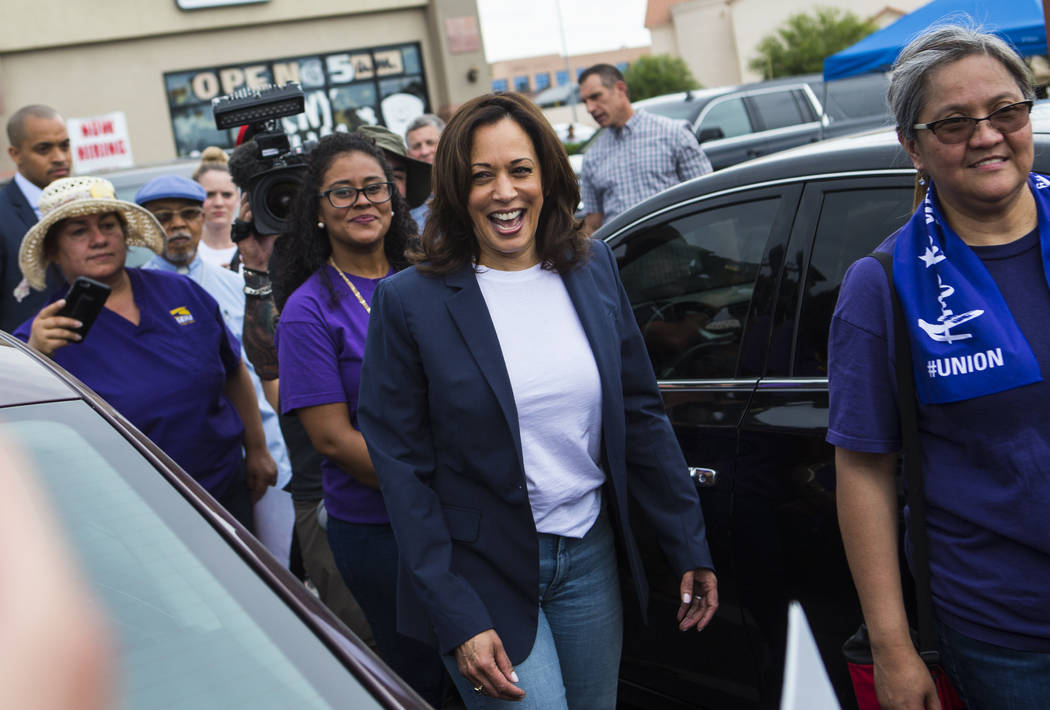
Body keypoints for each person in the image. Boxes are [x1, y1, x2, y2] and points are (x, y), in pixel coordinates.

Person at [357, 91, 718, 709]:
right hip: (479, 572)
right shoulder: (409, 302)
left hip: (589, 556)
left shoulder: (592, 267)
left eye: (520, 170)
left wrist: (687, 540)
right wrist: (455, 612)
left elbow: (640, 413)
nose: (504, 192)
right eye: (481, 176)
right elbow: (403, 472)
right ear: (454, 188)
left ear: (547, 177)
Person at [829, 25, 1050, 710]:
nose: (986, 136)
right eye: (953, 123)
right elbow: (865, 472)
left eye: (1006, 112)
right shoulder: (884, 285)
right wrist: (894, 648)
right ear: (913, 146)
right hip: (1007, 634)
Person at [272, 132, 445, 704]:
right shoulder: (307, 310)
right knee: (425, 677)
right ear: (316, 212)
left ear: (395, 199)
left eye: (373, 188)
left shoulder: (432, 275)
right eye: (341, 193)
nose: (362, 202)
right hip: (381, 529)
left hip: (464, 509)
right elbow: (333, 439)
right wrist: (434, 486)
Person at [14, 175, 276, 530]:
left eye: (108, 225)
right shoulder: (40, 337)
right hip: (127, 519)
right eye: (78, 232)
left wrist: (257, 450)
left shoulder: (180, 291)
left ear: (125, 234)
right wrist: (35, 358)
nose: (99, 239)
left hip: (224, 492)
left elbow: (233, 371)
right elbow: (26, 440)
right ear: (53, 250)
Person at [135, 174, 294, 565]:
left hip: (269, 449)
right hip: (192, 465)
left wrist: (264, 448)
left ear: (202, 219)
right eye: (163, 217)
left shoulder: (236, 284)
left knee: (278, 568)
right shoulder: (136, 294)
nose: (177, 226)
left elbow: (260, 370)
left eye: (188, 214)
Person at [578, 64, 711, 234]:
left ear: (620, 89)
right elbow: (594, 224)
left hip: (679, 250)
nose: (590, 108)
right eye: (585, 102)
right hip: (621, 257)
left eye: (596, 96)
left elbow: (706, 198)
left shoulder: (673, 133)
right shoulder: (592, 156)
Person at [2, 104, 71, 332]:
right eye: (44, 149)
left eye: (65, 145)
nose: (60, 158)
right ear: (15, 154)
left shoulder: (89, 201)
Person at [192, 147, 241, 269]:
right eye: (209, 194)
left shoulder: (255, 248)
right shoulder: (188, 253)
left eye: (226, 195)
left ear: (238, 198)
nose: (218, 203)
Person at [404, 114, 443, 228]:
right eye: (416, 146)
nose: (424, 151)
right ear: (409, 154)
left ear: (445, 143)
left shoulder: (466, 182)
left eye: (430, 143)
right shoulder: (406, 198)